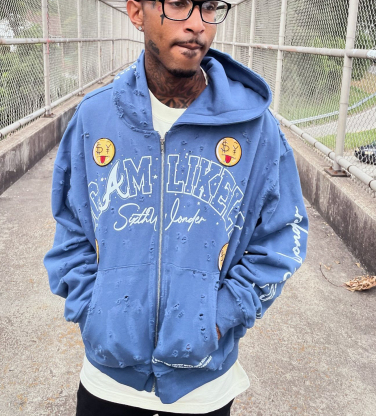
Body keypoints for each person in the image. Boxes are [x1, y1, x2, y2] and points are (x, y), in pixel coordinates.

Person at [44, 0, 309, 415]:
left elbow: (282, 234)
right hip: (108, 382)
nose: (197, 24)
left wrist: (220, 317)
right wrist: (93, 310)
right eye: (179, 5)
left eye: (209, 7)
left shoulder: (256, 126)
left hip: (203, 388)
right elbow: (71, 225)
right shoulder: (95, 117)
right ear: (137, 13)